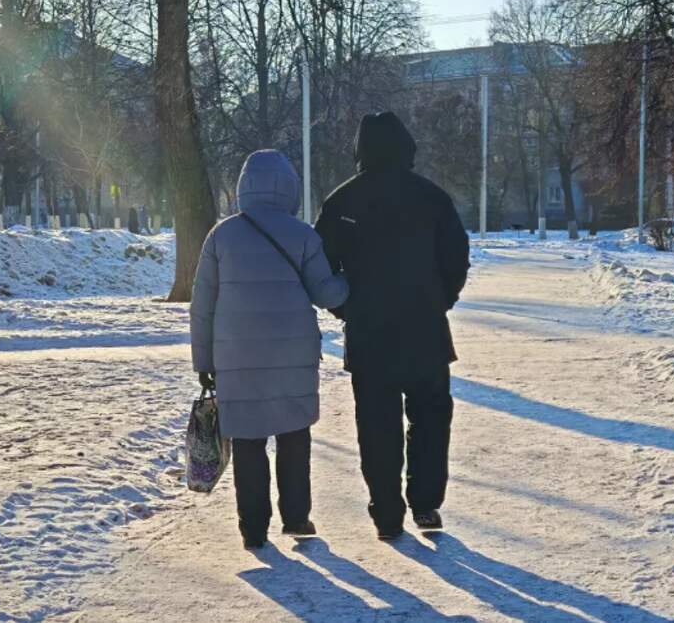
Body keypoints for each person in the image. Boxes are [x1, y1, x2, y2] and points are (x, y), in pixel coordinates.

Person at [315, 112, 470, 541]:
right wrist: (440, 300)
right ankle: (426, 503)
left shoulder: (342, 201)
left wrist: (347, 308)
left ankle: (386, 513)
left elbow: (321, 266)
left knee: (376, 426)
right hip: (426, 330)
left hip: (370, 333)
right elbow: (456, 258)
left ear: (360, 149)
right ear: (406, 146)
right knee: (431, 420)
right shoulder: (432, 198)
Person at [190, 149, 349, 550]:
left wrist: (204, 361)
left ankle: (253, 528)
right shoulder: (303, 235)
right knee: (294, 436)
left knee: (248, 441)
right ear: (289, 189)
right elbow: (326, 293)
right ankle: (296, 517)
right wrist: (350, 280)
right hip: (292, 356)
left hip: (236, 357)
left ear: (244, 187)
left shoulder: (221, 236)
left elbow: (203, 304)